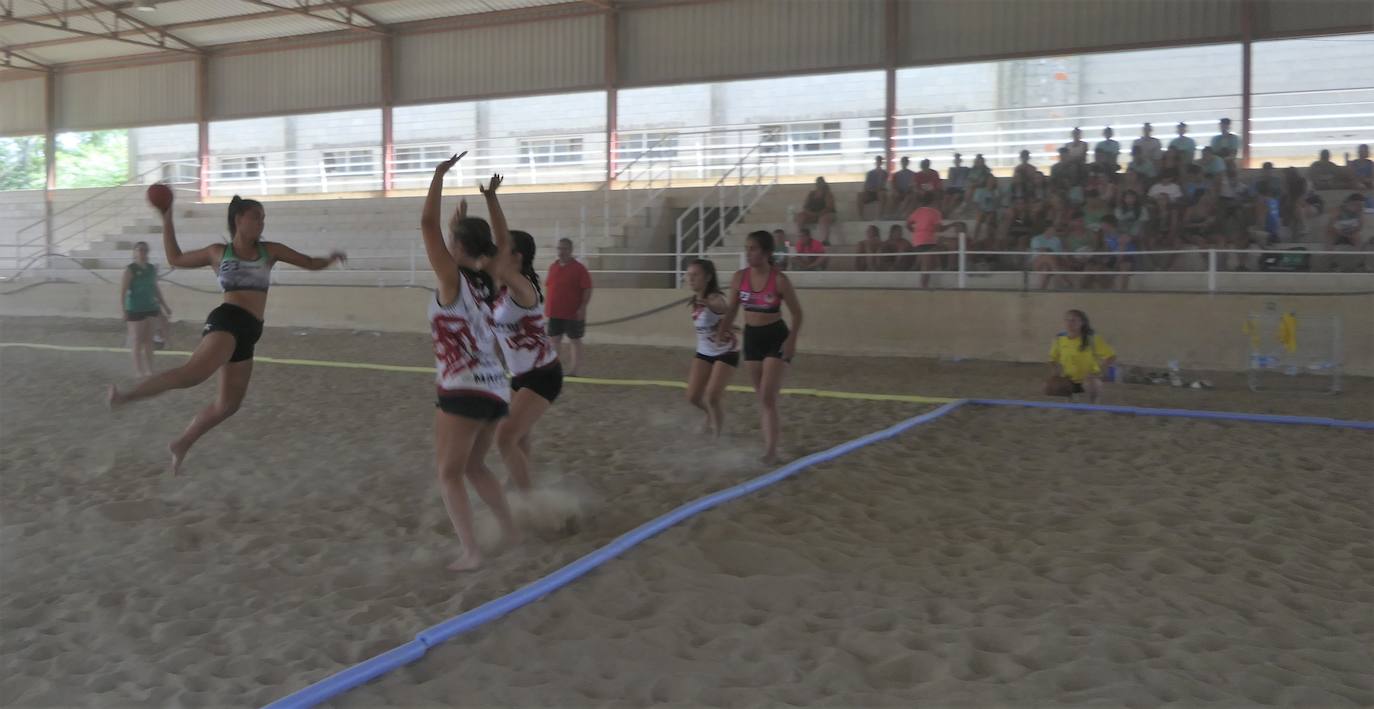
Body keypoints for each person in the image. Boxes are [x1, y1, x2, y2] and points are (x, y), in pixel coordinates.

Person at [106, 193, 345, 475]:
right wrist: (167, 215)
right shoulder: (218, 252)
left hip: (250, 331)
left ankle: (181, 443)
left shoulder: (270, 250)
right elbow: (175, 258)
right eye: (256, 217)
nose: (261, 223)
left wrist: (330, 259)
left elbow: (308, 262)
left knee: (229, 404)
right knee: (192, 374)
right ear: (239, 220)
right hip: (228, 320)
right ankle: (125, 396)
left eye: (263, 218)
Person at [419, 158, 517, 571]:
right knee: (475, 465)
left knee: (449, 473)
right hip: (496, 386)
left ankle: (472, 552)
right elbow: (504, 244)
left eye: (452, 241)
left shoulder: (451, 279)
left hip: (462, 385)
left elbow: (427, 226)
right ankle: (510, 530)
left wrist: (438, 177)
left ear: (458, 248)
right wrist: (488, 204)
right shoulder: (491, 276)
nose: (446, 245)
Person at [478, 182, 563, 496]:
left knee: (504, 438)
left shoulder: (524, 288)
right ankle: (518, 485)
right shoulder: (502, 290)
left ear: (517, 256)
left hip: (543, 376)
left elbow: (495, 253)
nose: (499, 252)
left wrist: (491, 199)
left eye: (505, 250)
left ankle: (531, 501)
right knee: (519, 437)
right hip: (519, 375)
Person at [716, 231, 803, 464]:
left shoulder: (780, 280)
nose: (748, 253)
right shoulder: (739, 278)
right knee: (763, 398)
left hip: (776, 337)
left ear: (766, 253)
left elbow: (797, 313)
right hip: (752, 337)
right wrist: (722, 329)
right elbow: (733, 308)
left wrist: (792, 340)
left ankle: (771, 451)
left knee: (767, 396)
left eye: (753, 248)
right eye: (747, 248)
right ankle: (770, 445)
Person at [684, 259, 738, 437]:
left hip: (726, 351)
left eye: (695, 275)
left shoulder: (714, 297)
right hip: (704, 351)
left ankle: (718, 435)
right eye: (689, 275)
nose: (691, 279)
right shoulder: (695, 300)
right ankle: (710, 416)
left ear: (707, 277)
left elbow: (723, 307)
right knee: (692, 397)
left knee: (713, 396)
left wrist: (708, 304)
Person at [120, 241, 171, 378]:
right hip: (135, 308)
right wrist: (124, 310)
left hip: (150, 308)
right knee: (137, 340)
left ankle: (150, 369)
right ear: (134, 252)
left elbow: (155, 288)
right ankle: (138, 370)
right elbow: (123, 291)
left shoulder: (151, 269)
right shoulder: (130, 269)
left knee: (149, 340)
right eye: (139, 250)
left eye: (144, 250)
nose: (142, 252)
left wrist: (164, 305)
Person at [1047, 309, 1116, 404]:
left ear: (1082, 323)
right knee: (1051, 385)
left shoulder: (1092, 338)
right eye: (1067, 320)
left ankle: (1094, 402)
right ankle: (1070, 399)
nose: (1069, 323)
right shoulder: (1059, 339)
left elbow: (1111, 356)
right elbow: (1052, 359)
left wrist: (1099, 372)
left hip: (1088, 379)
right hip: (1069, 379)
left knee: (1093, 383)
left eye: (1074, 320)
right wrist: (1055, 373)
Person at [545, 237, 592, 376]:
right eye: (559, 248)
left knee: (575, 340)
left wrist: (582, 307)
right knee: (554, 340)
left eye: (564, 248)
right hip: (554, 312)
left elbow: (587, 288)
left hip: (573, 312)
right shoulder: (553, 266)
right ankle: (555, 369)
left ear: (571, 250)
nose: (561, 251)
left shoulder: (579, 268)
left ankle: (574, 370)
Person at [795, 177, 837, 243]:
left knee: (824, 219)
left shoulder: (828, 194)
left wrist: (818, 214)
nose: (818, 184)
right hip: (812, 214)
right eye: (817, 182)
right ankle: (801, 238)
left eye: (820, 182)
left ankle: (826, 240)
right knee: (800, 216)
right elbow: (805, 207)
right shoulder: (811, 193)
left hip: (825, 214)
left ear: (823, 183)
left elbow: (829, 208)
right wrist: (810, 213)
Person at [856, 156, 888, 220]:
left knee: (881, 194)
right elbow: (866, 185)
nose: (878, 162)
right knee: (860, 195)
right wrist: (866, 191)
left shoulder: (884, 173)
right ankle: (861, 217)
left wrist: (877, 188)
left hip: (879, 192)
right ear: (875, 162)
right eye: (877, 161)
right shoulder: (870, 173)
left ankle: (880, 216)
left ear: (881, 163)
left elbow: (881, 184)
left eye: (880, 161)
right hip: (870, 192)